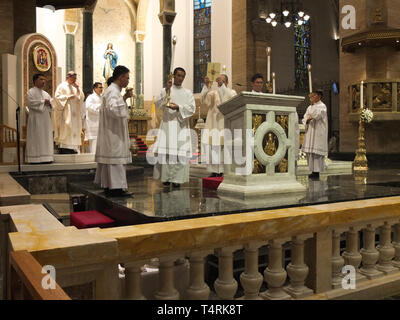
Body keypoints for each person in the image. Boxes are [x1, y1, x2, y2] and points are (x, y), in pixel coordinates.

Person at [153, 67, 196, 188]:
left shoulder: (187, 93)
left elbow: (192, 108)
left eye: (182, 76)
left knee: (179, 154)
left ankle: (177, 179)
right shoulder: (166, 90)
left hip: (180, 126)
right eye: (178, 75)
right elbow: (157, 103)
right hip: (167, 124)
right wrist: (167, 89)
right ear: (173, 76)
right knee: (167, 153)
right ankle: (166, 178)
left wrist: (178, 107)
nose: (180, 78)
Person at [95, 65, 133, 197]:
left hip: (112, 130)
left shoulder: (112, 90)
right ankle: (116, 188)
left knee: (112, 160)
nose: (128, 81)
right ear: (121, 77)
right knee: (115, 159)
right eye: (127, 78)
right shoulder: (113, 91)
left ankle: (110, 186)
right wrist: (125, 98)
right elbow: (113, 109)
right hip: (113, 132)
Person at [201, 74, 237, 176]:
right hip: (213, 123)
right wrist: (207, 85)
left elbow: (227, 101)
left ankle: (222, 170)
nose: (220, 83)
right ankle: (213, 170)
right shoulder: (213, 93)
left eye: (222, 81)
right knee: (212, 147)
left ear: (227, 83)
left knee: (223, 147)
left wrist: (222, 88)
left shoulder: (231, 92)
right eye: (219, 81)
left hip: (224, 122)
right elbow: (204, 100)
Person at [53, 71, 85, 154]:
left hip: (75, 113)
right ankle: (65, 148)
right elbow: (57, 98)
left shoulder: (75, 87)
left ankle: (74, 147)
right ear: (68, 77)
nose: (74, 80)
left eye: (75, 78)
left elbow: (80, 98)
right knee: (67, 128)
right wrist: (67, 97)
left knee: (74, 128)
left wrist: (78, 88)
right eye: (73, 78)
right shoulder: (62, 86)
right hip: (67, 112)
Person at [25, 74, 54, 164]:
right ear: (35, 81)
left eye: (44, 80)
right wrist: (42, 102)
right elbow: (30, 103)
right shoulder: (30, 92)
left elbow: (52, 107)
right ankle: (35, 159)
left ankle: (47, 158)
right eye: (41, 79)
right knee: (36, 137)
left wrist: (49, 104)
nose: (43, 82)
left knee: (46, 137)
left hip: (45, 119)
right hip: (35, 119)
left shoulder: (46, 94)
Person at [302, 90, 328, 179]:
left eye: (314, 96)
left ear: (319, 96)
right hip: (310, 131)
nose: (312, 97)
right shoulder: (309, 107)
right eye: (311, 96)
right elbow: (305, 118)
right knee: (310, 153)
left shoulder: (322, 106)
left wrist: (310, 117)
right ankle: (312, 171)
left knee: (316, 153)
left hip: (318, 132)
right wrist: (307, 119)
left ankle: (317, 172)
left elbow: (316, 116)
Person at [84, 82, 103, 153]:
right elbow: (89, 107)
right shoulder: (90, 97)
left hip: (100, 122)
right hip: (93, 122)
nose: (101, 89)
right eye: (100, 87)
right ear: (95, 89)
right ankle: (93, 155)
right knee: (94, 140)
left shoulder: (102, 98)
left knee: (101, 140)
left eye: (102, 87)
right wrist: (99, 106)